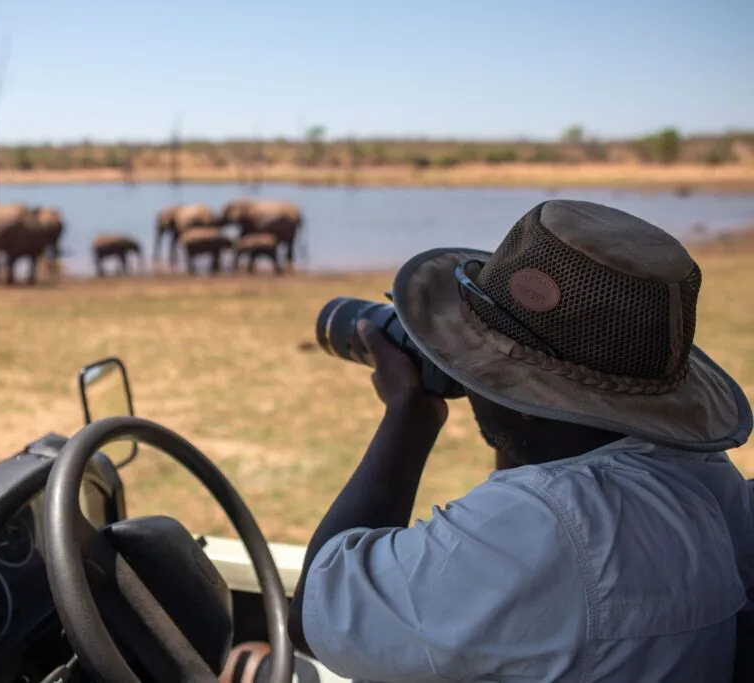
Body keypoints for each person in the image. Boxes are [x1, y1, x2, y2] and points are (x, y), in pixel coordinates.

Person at [285, 199, 754, 682]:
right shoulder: (709, 480)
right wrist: (513, 415)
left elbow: (315, 616)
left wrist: (409, 415)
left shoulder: (539, 526)